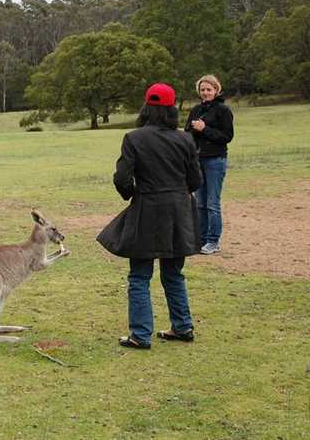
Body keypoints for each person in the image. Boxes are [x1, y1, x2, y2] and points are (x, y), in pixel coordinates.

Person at [97, 83, 201, 350]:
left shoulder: (134, 138)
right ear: (171, 109)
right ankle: (183, 325)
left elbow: (122, 177)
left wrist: (133, 193)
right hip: (179, 210)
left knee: (140, 275)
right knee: (173, 273)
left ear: (146, 107)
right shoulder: (185, 139)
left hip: (148, 208)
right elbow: (196, 179)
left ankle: (140, 335)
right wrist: (177, 193)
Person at [185, 75, 234, 255]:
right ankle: (201, 238)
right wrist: (194, 131)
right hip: (198, 160)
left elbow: (227, 136)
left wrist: (204, 129)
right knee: (199, 202)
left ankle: (213, 240)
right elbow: (187, 132)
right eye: (203, 90)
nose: (205, 93)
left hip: (215, 160)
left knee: (212, 202)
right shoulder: (196, 110)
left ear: (216, 90)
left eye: (209, 89)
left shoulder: (223, 111)